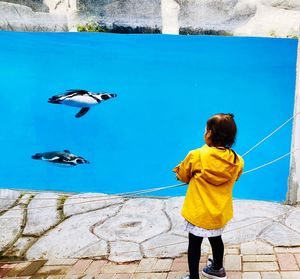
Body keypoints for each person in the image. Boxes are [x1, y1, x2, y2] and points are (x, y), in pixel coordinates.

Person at [173, 113, 244, 279]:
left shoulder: (196, 155)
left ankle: (193, 277)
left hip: (198, 213)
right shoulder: (237, 160)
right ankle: (217, 268)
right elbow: (236, 176)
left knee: (194, 244)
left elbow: (183, 175)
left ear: (209, 134)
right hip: (218, 212)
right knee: (216, 239)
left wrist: (178, 173)